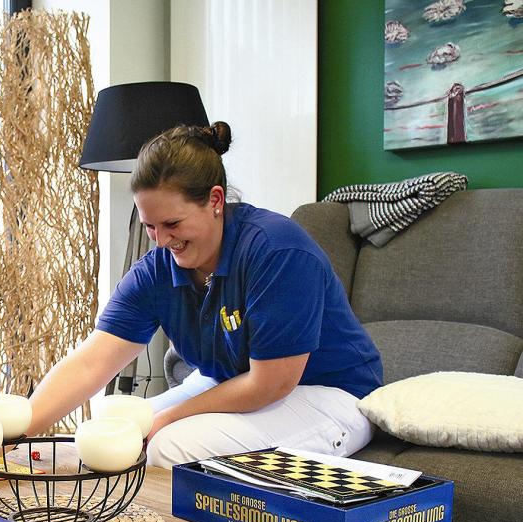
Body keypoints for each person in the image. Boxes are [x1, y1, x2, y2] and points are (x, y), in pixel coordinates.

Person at [28, 122, 382, 468]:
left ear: (215, 199)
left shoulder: (278, 251)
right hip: (229, 381)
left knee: (166, 448)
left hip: (330, 396)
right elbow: (91, 363)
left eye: (172, 224)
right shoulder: (157, 270)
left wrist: (166, 419)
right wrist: (14, 432)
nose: (161, 240)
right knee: (111, 436)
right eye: (149, 225)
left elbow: (270, 384)